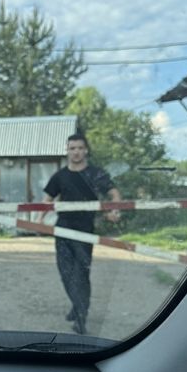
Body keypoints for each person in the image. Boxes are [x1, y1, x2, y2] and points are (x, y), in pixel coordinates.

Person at [43, 132, 121, 335]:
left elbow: (113, 193)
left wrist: (114, 209)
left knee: (82, 274)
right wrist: (40, 218)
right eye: (72, 148)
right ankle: (76, 305)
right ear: (67, 151)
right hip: (63, 231)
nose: (76, 152)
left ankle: (81, 315)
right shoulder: (60, 176)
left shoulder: (95, 174)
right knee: (66, 273)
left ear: (85, 150)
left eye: (80, 148)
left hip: (85, 232)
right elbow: (46, 200)